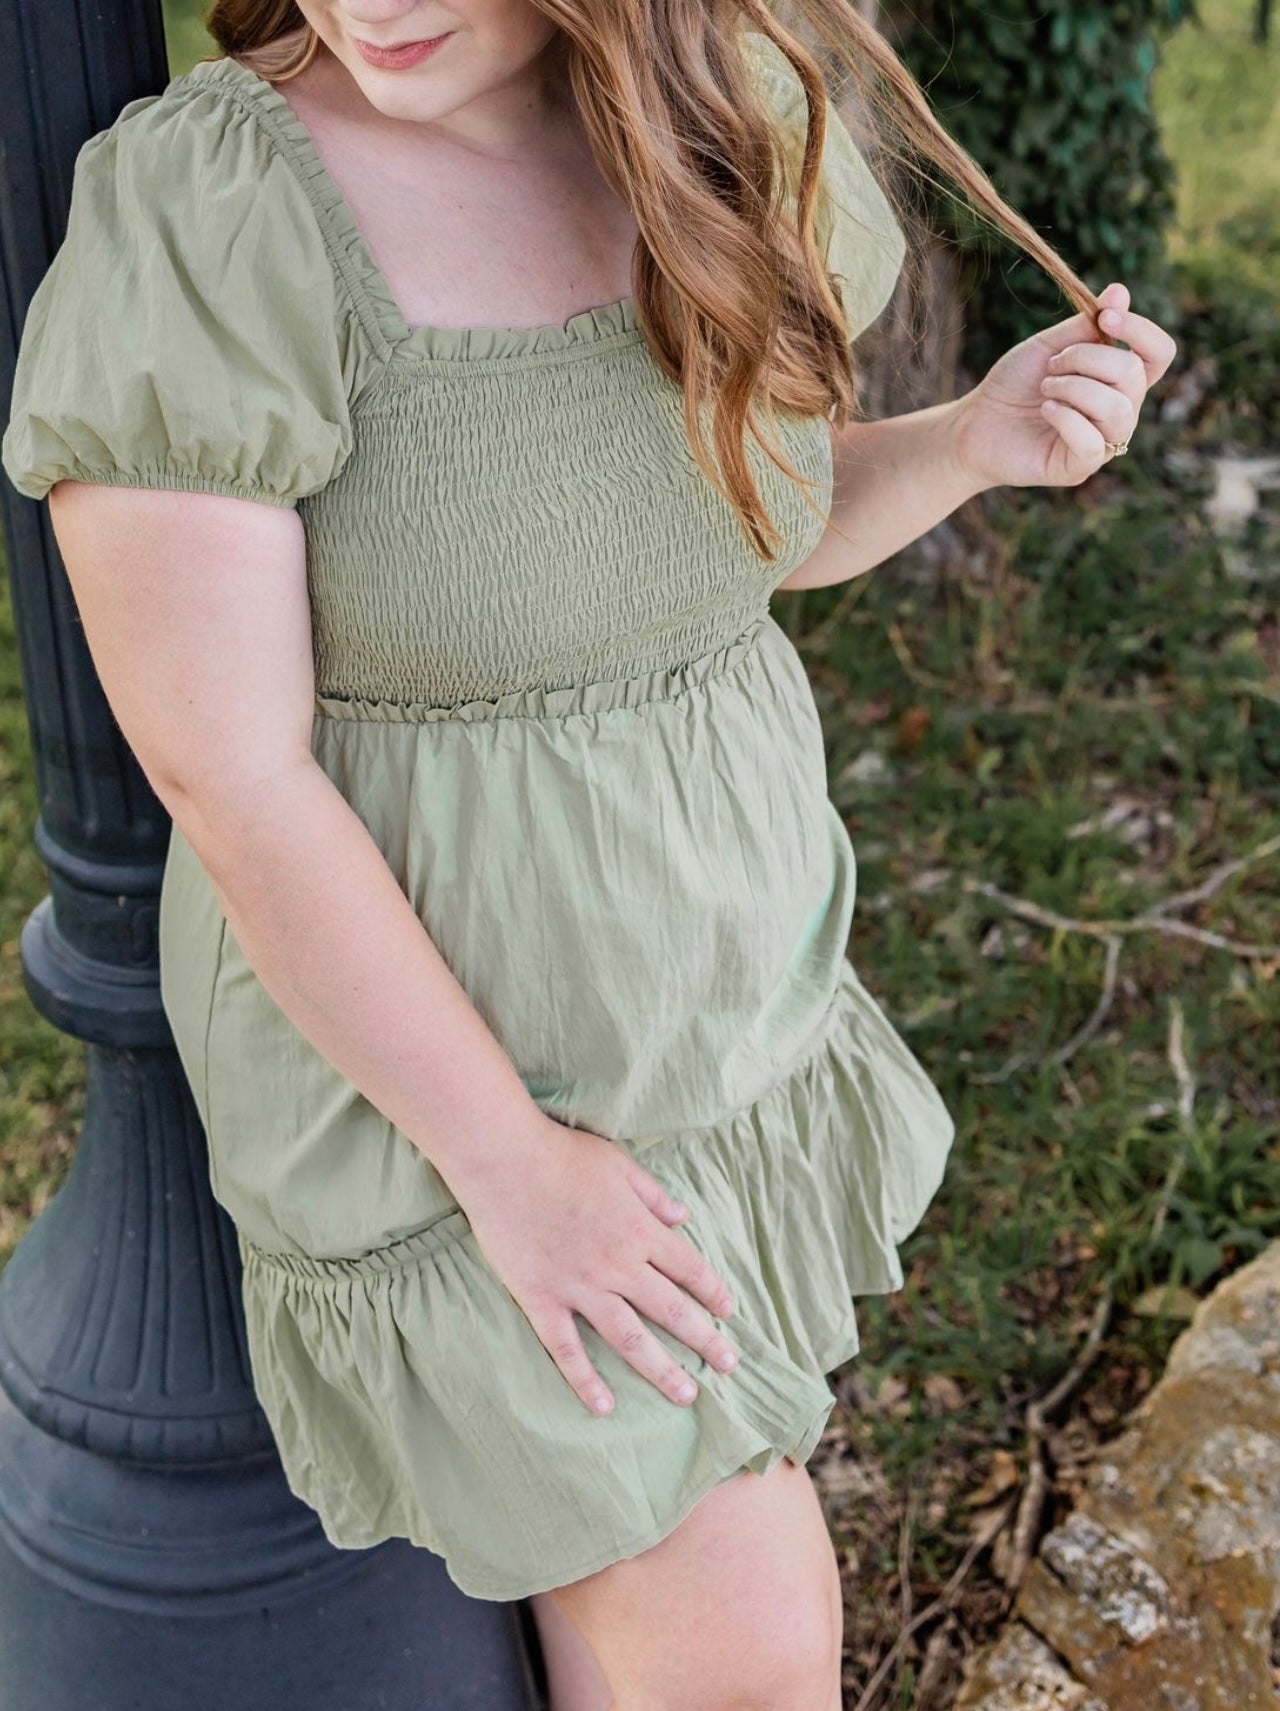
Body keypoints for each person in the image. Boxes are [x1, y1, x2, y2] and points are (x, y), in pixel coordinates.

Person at [0, 2, 1177, 1706]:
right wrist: (514, 1169)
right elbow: (230, 776)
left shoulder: (725, 123)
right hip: (448, 1091)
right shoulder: (219, 212)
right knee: (745, 1653)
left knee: (651, 1629)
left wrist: (968, 445)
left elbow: (717, 541)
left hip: (719, 1026)